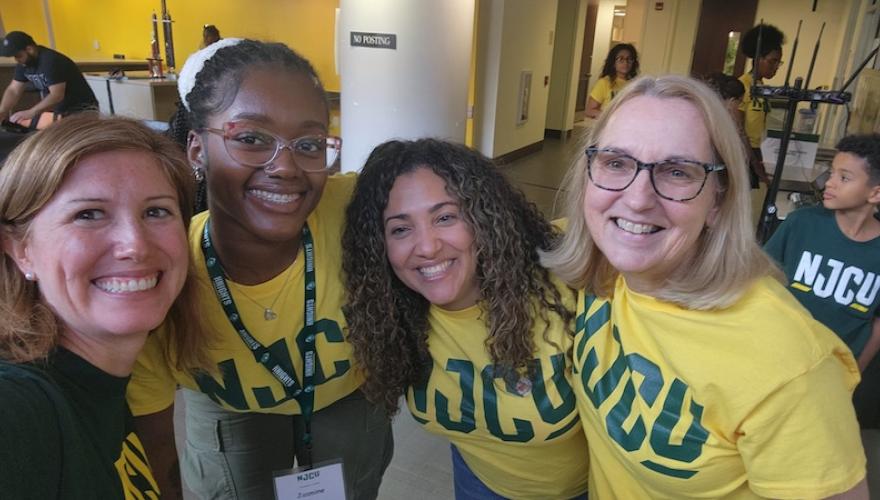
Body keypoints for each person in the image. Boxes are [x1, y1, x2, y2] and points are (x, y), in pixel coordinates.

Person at [542, 75, 867, 498]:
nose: (638, 198)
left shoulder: (787, 366)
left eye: (677, 171)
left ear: (717, 199)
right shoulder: (606, 263)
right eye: (616, 163)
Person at [128, 39, 393, 500]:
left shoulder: (360, 209)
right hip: (229, 405)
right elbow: (153, 435)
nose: (286, 167)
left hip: (345, 393)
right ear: (196, 149)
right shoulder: (160, 270)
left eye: (309, 143)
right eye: (250, 139)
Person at [343, 139, 588, 500]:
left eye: (445, 217)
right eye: (400, 229)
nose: (426, 247)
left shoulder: (565, 283)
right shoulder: (395, 313)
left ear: (483, 218)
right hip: (479, 483)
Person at [0, 113, 206, 498]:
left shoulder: (102, 386)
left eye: (156, 211)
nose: (135, 245)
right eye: (88, 214)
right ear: (21, 251)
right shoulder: (19, 407)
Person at [0, 31, 98, 126]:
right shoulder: (24, 63)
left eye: (18, 55)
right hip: (61, 111)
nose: (17, 60)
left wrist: (31, 112)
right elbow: (14, 90)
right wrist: (2, 111)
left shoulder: (50, 61)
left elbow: (57, 95)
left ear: (30, 49)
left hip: (83, 111)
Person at [738, 23, 785, 188]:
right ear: (758, 58)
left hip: (755, 152)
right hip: (742, 155)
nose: (776, 67)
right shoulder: (743, 86)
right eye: (772, 61)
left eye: (779, 63)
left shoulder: (762, 88)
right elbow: (738, 131)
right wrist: (757, 169)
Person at [585, 43, 639, 119]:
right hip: (609, 128)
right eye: (620, 59)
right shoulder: (604, 83)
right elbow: (589, 111)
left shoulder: (636, 84)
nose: (625, 62)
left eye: (629, 59)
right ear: (613, 62)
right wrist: (612, 117)